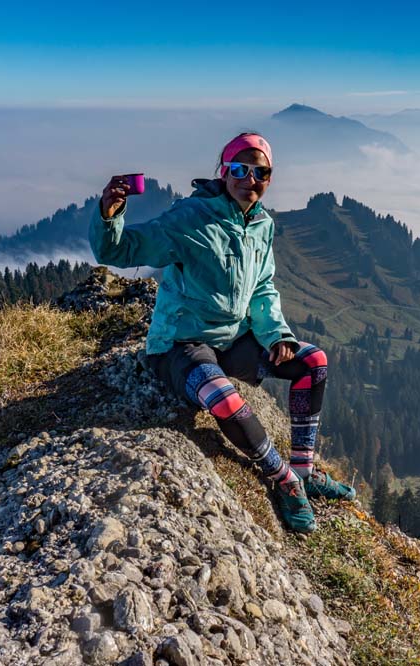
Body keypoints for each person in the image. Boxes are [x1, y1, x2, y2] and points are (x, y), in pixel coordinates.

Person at [90, 132, 355, 533]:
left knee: (312, 363)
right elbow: (119, 252)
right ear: (223, 171)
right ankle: (282, 479)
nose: (250, 179)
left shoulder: (261, 224)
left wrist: (276, 335)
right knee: (224, 401)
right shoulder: (190, 218)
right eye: (239, 169)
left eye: (260, 172)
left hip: (232, 338)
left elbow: (263, 286)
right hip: (180, 344)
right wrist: (110, 215)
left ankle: (305, 470)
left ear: (270, 176)